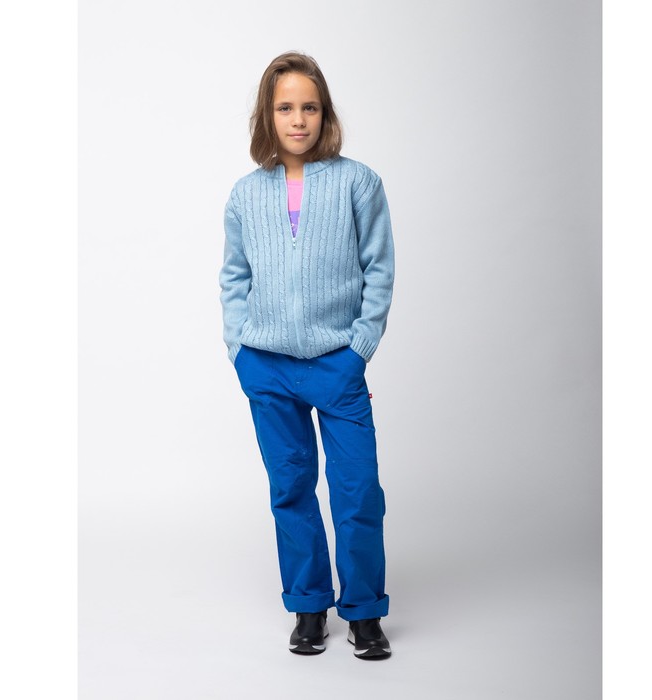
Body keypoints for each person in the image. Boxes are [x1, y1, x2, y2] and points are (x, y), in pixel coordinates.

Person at [219, 51, 395, 660]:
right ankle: (309, 605)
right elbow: (234, 276)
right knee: (291, 488)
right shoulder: (245, 194)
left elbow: (379, 269)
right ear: (267, 116)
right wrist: (240, 349)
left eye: (310, 107)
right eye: (285, 107)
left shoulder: (358, 183)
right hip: (267, 365)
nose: (298, 120)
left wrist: (359, 347)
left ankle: (364, 612)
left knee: (357, 490)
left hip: (336, 364)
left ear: (325, 114)